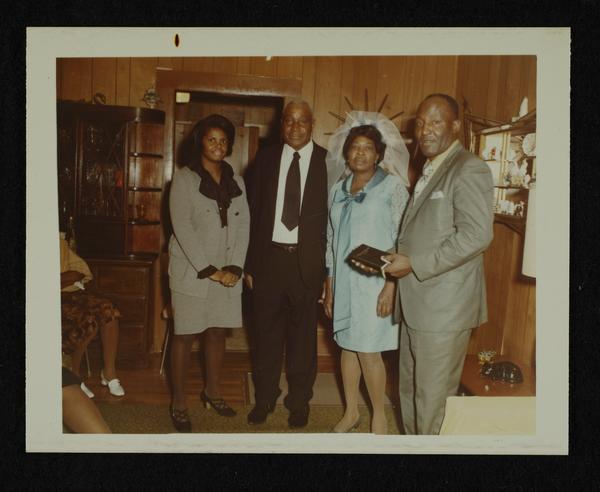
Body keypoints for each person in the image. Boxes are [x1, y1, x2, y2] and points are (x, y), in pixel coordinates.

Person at [380, 94, 494, 435]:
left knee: (432, 404)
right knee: (409, 394)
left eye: (435, 122)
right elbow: (426, 231)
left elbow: (476, 236)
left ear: (455, 126)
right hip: (416, 305)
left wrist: (414, 263)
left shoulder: (469, 167)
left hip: (444, 311)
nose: (425, 130)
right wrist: (395, 255)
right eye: (420, 123)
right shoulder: (430, 167)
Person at [244, 100, 328, 428]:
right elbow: (253, 214)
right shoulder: (265, 159)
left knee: (303, 340)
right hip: (268, 262)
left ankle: (299, 402)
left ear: (312, 124)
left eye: (302, 121)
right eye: (289, 121)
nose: (295, 127)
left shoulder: (327, 162)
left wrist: (326, 273)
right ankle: (265, 398)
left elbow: (332, 221)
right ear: (281, 124)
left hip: (306, 265)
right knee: (265, 336)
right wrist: (250, 265)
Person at [323, 116, 410, 435]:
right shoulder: (338, 189)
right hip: (344, 281)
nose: (360, 153)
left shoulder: (392, 186)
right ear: (346, 153)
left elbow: (403, 238)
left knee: (369, 350)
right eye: (355, 147)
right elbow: (331, 239)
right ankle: (351, 413)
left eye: (368, 148)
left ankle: (379, 418)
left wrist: (391, 286)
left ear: (378, 154)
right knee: (347, 345)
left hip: (376, 282)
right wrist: (329, 284)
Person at [168, 114, 249, 432]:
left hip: (227, 272)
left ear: (229, 145)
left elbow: (244, 225)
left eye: (223, 140)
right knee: (184, 336)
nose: (218, 145)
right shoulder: (184, 179)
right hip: (193, 272)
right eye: (211, 139)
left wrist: (236, 266)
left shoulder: (236, 181)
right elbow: (183, 228)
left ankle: (212, 392)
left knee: (216, 333)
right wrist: (210, 271)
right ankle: (178, 402)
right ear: (200, 142)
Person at [60, 234, 124, 399]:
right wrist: (65, 277)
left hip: (70, 292)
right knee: (86, 319)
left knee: (108, 310)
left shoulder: (58, 242)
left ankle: (109, 372)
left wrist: (66, 278)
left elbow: (81, 272)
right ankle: (74, 376)